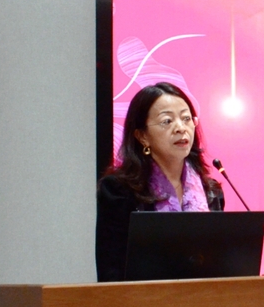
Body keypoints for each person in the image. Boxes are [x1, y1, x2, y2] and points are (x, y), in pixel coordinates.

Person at [95, 82, 224, 281]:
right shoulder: (118, 190)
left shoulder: (211, 192)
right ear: (142, 136)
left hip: (203, 299)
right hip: (143, 299)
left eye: (186, 119)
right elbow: (111, 272)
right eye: (167, 121)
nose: (181, 128)